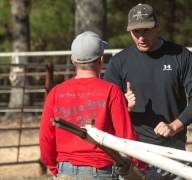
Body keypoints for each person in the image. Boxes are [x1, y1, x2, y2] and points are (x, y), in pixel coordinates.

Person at [103, 3, 192, 179]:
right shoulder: (119, 61)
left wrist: (174, 126)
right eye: (136, 32)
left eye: (146, 30)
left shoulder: (180, 55)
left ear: (157, 27)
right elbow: (105, 104)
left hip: (172, 148)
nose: (141, 37)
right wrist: (123, 104)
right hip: (132, 149)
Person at [39, 31, 144, 179]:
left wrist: (54, 168)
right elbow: (126, 136)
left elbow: (45, 138)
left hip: (65, 170)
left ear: (72, 60)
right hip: (101, 171)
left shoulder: (56, 93)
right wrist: (140, 165)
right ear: (101, 59)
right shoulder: (111, 91)